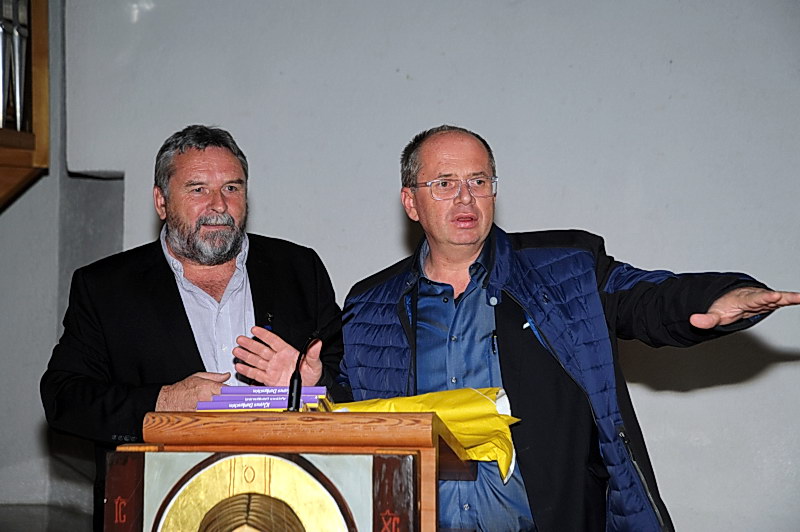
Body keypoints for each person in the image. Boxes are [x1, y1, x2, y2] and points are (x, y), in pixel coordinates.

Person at [334, 125, 800, 532]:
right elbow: (344, 413)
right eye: (444, 183)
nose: (465, 197)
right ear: (410, 202)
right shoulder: (370, 303)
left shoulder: (563, 271)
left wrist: (717, 296)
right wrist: (308, 385)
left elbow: (645, 298)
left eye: (479, 180)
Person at [40, 125, 343, 530]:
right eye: (198, 189)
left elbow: (353, 385)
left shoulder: (300, 270)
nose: (219, 205)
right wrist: (163, 402)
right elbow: (64, 398)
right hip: (158, 505)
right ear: (161, 201)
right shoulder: (106, 288)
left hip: (287, 505)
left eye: (232, 188)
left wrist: (310, 386)